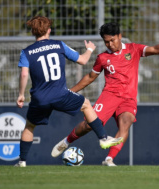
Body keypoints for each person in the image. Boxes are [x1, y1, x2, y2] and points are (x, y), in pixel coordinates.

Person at [51, 22, 159, 166]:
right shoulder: (102, 58)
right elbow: (90, 77)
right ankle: (66, 141)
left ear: (120, 36)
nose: (110, 44)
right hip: (109, 96)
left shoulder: (134, 49)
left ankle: (109, 159)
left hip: (128, 98)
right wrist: (69, 92)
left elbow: (154, 49)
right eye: (106, 42)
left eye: (113, 40)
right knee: (89, 125)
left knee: (126, 122)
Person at [14, 16, 123, 167]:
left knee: (30, 126)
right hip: (60, 94)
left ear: (33, 32)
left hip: (39, 98)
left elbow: (24, 74)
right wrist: (90, 49)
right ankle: (103, 138)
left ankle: (22, 161)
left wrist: (21, 94)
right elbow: (83, 60)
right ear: (49, 30)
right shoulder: (59, 45)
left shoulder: (26, 52)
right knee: (85, 104)